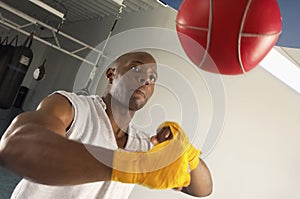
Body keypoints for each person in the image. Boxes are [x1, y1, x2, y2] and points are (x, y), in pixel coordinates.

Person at [0, 51, 212, 198]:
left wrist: (188, 153)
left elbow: (201, 188)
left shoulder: (142, 147)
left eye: (152, 77)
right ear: (111, 74)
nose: (146, 80)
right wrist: (129, 166)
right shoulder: (73, 108)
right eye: (136, 68)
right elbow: (16, 145)